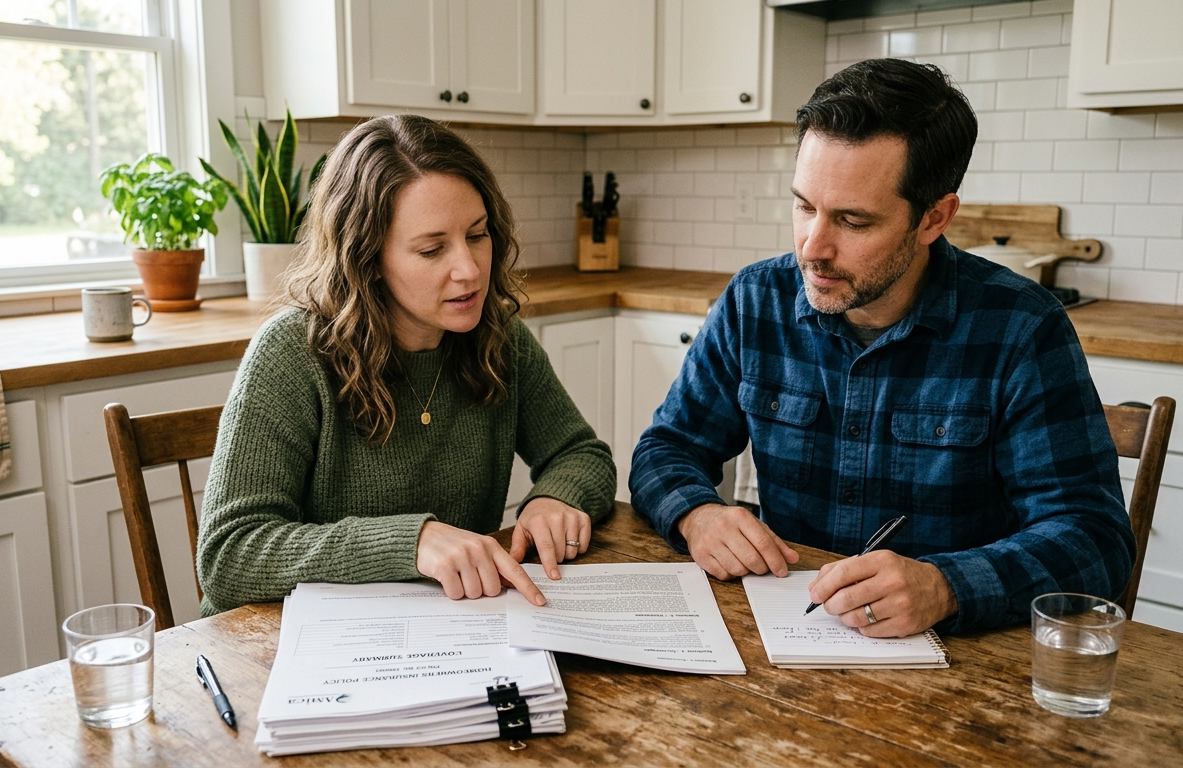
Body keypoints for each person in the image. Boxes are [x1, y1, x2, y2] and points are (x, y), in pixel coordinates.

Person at [629, 59, 1135, 638]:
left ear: (934, 218)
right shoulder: (755, 300)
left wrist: (946, 587)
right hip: (783, 638)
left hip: (959, 665)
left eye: (853, 221)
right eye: (804, 206)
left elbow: (1094, 538)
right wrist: (698, 514)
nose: (812, 248)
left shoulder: (1021, 326)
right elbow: (665, 448)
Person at [197, 115, 616, 616]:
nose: (469, 269)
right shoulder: (292, 352)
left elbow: (582, 454)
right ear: (367, 258)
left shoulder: (499, 340)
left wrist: (556, 499)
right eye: (432, 249)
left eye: (478, 236)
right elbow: (228, 556)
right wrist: (411, 543)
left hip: (451, 629)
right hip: (294, 650)